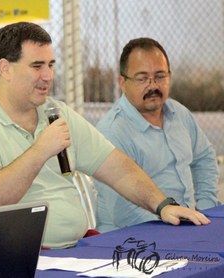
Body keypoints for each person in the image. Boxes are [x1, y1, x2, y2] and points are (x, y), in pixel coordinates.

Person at [0, 22, 210, 249]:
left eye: (51, 65)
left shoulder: (56, 111)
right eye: (37, 66)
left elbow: (117, 167)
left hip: (77, 248)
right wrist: (41, 150)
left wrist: (162, 205)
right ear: (5, 69)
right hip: (20, 258)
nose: (48, 76)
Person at [94, 37, 219, 232]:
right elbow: (123, 210)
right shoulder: (112, 131)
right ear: (122, 82)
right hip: (134, 239)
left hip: (186, 227)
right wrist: (176, 229)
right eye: (142, 78)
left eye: (160, 76)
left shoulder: (179, 114)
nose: (153, 86)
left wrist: (205, 208)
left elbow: (204, 159)